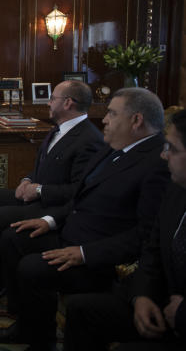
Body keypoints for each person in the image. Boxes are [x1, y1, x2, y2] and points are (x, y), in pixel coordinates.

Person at [0, 87, 171, 349]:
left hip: (99, 255)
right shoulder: (113, 148)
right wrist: (49, 220)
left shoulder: (157, 163)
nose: (104, 119)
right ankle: (27, 325)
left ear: (136, 120)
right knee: (14, 237)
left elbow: (146, 235)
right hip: (71, 230)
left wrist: (83, 253)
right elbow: (78, 198)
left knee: (31, 267)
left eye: (112, 114)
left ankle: (39, 341)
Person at [0, 80, 105, 300]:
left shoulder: (89, 140)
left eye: (53, 99)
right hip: (36, 195)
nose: (48, 103)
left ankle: (1, 282)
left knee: (2, 216)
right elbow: (42, 166)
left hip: (54, 206)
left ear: (68, 103)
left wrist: (39, 190)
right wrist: (26, 180)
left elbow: (78, 192)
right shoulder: (59, 128)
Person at [63, 109, 186, 351]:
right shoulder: (176, 190)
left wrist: (181, 313)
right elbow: (153, 251)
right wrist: (141, 295)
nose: (164, 155)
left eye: (172, 148)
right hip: (157, 300)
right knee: (81, 310)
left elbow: (138, 238)